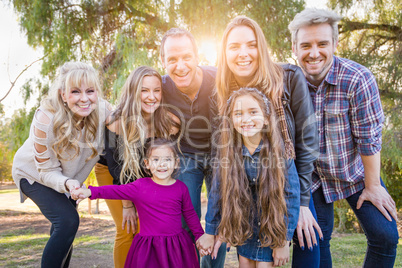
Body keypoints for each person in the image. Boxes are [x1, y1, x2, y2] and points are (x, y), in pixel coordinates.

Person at [203, 15, 321, 266]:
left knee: (310, 247)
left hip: (288, 185)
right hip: (245, 196)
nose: (243, 53)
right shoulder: (221, 91)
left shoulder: (288, 77)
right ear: (224, 52)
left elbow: (307, 141)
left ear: (261, 47)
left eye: (251, 44)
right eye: (234, 46)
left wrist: (301, 204)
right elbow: (223, 156)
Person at [288, 8, 399, 267]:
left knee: (385, 235)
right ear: (294, 48)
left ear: (335, 44)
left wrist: (373, 186)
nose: (314, 53)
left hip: (355, 171)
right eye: (305, 45)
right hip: (312, 177)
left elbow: (369, 139)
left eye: (322, 44)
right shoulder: (286, 82)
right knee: (314, 239)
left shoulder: (358, 79)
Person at [12, 62, 111, 267]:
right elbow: (47, 170)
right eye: (75, 91)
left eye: (90, 91)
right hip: (34, 175)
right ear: (63, 95)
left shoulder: (103, 110)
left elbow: (128, 125)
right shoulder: (45, 119)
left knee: (65, 230)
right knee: (68, 221)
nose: (84, 98)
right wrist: (67, 184)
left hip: (69, 180)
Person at [200, 88, 300, 267]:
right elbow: (216, 194)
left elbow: (292, 198)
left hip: (271, 231)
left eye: (253, 112)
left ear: (267, 118)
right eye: (238, 114)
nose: (246, 119)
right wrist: (209, 232)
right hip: (244, 231)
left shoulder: (281, 154)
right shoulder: (228, 157)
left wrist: (284, 241)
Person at [72, 138, 208, 268]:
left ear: (176, 162)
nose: (162, 164)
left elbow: (190, 214)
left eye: (167, 159)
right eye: (156, 159)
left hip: (175, 246)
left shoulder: (180, 187)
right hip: (149, 248)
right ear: (147, 163)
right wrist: (90, 192)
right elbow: (116, 190)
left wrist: (199, 236)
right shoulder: (140, 186)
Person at [94, 66, 180, 268]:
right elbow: (119, 171)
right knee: (127, 228)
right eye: (144, 90)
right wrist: (128, 206)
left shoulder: (169, 123)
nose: (151, 97)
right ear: (133, 92)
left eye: (156, 90)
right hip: (112, 173)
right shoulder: (116, 122)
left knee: (150, 227)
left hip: (144, 174)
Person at [160, 27, 227, 267]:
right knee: (185, 217)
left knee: (217, 219)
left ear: (197, 56)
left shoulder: (219, 78)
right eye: (172, 59)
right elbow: (132, 108)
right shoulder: (161, 88)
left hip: (221, 154)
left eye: (186, 57)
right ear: (163, 62)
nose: (180, 66)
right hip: (186, 155)